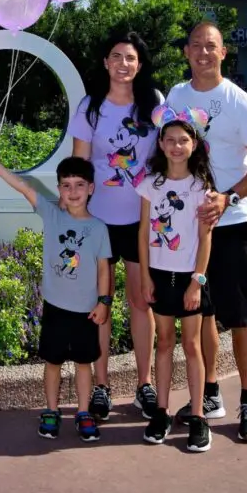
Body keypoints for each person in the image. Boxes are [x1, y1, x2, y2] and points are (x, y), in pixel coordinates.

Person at [166, 22, 247, 443]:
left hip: (232, 222)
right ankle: (211, 393)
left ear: (223, 53)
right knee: (203, 313)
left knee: (242, 316)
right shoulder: (176, 97)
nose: (203, 52)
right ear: (186, 52)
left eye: (210, 46)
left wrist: (227, 197)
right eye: (196, 45)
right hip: (191, 229)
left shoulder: (239, 101)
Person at [0, 152, 112, 443]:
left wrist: (103, 303)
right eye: (66, 185)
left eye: (79, 185)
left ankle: (83, 412)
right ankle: (51, 411)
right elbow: (25, 188)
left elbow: (104, 269)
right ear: (59, 190)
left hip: (87, 312)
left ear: (91, 188)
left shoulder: (99, 228)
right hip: (56, 308)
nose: (73, 191)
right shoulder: (51, 214)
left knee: (84, 363)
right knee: (53, 362)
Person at [70, 31, 161, 423]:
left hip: (143, 221)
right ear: (106, 63)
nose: (124, 64)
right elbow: (79, 166)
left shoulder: (154, 104)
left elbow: (174, 150)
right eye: (116, 57)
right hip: (101, 224)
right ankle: (102, 387)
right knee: (100, 307)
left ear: (139, 65)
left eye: (131, 58)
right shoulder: (91, 107)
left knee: (142, 301)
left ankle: (144, 383)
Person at [138, 105, 215, 453]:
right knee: (164, 343)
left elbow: (205, 237)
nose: (176, 146)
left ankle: (198, 416)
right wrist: (145, 277)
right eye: (169, 140)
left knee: (192, 345)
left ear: (194, 144)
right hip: (159, 274)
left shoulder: (202, 187)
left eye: (183, 140)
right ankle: (162, 412)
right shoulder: (150, 183)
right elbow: (143, 233)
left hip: (190, 278)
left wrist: (197, 282)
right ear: (161, 143)